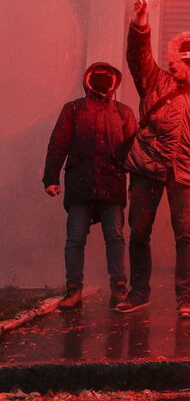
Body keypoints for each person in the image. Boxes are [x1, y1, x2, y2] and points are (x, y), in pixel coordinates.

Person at [116, 0, 190, 317]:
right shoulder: (152, 78)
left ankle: (185, 299)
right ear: (174, 56)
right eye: (183, 55)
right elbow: (138, 55)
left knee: (185, 235)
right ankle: (139, 292)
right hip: (146, 165)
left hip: (185, 171)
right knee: (138, 232)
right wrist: (142, 21)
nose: (187, 60)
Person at [43, 63, 137, 310]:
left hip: (111, 184)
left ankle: (118, 289)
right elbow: (58, 144)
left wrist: (134, 185)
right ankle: (73, 290)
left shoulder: (123, 113)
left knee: (115, 238)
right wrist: (50, 179)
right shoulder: (73, 110)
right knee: (75, 239)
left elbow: (134, 153)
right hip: (81, 185)